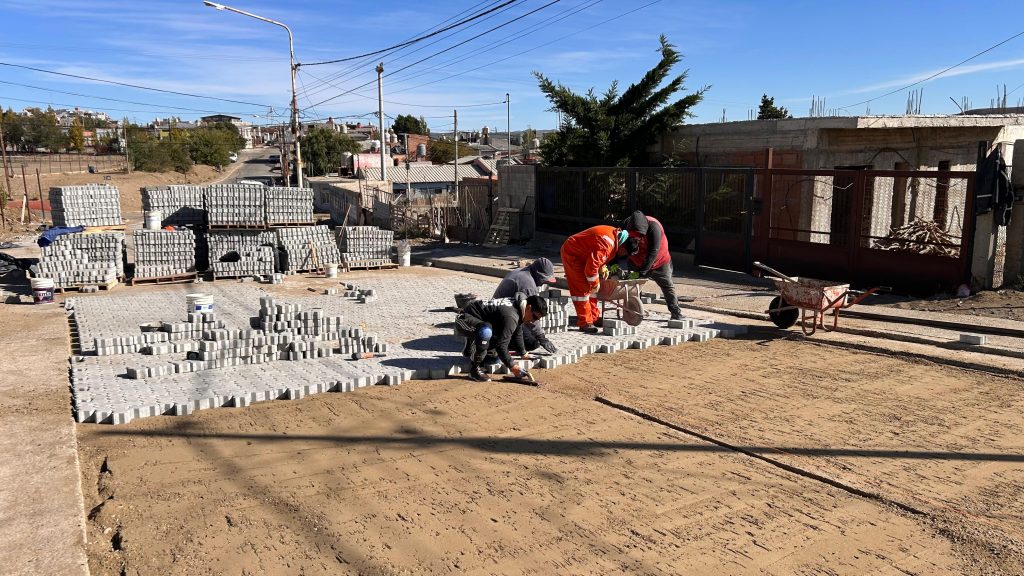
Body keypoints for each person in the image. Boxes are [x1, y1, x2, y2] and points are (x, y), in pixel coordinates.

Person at [560, 225, 639, 333]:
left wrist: (602, 266)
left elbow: (596, 252)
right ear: (623, 248)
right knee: (582, 290)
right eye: (625, 253)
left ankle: (593, 317)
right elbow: (591, 269)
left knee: (592, 291)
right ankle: (585, 322)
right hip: (573, 254)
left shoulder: (615, 236)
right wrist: (595, 283)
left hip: (583, 254)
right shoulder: (607, 243)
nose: (623, 256)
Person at [455, 293, 548, 382]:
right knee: (485, 332)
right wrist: (513, 367)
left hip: (483, 322)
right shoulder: (511, 316)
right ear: (529, 307)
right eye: (535, 317)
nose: (533, 321)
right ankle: (475, 369)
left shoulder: (519, 306)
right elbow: (501, 346)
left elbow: (517, 333)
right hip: (465, 318)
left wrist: (523, 353)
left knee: (493, 359)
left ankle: (471, 346)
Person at [623, 210, 682, 320]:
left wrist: (641, 272)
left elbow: (653, 252)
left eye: (638, 238)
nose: (636, 239)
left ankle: (676, 312)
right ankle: (635, 312)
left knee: (667, 285)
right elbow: (620, 244)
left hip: (659, 261)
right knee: (634, 286)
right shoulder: (626, 225)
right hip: (635, 261)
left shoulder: (654, 227)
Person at [493, 258, 558, 354]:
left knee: (528, 329)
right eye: (544, 279)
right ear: (538, 274)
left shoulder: (521, 271)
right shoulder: (528, 285)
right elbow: (531, 313)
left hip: (501, 312)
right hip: (501, 318)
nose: (543, 282)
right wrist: (541, 338)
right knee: (532, 343)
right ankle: (496, 342)